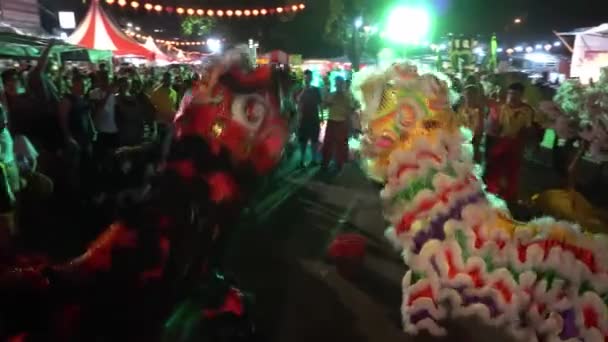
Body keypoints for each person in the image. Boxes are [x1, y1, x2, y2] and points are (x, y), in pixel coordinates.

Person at [485, 82, 535, 203]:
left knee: (512, 172)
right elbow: (495, 128)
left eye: (515, 94)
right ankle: (493, 192)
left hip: (516, 145)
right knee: (495, 170)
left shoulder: (527, 110)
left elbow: (528, 129)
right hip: (500, 143)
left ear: (521, 95)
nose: (512, 97)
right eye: (510, 93)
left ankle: (509, 196)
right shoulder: (501, 108)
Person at [322, 76, 355, 171]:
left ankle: (338, 163)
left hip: (341, 122)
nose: (338, 85)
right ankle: (327, 162)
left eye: (340, 83)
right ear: (336, 84)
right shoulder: (332, 95)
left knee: (340, 144)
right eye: (337, 83)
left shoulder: (348, 96)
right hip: (332, 121)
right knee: (329, 143)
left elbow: (351, 110)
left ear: (342, 84)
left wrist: (350, 124)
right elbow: (324, 106)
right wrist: (327, 101)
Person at [296, 70, 323, 168]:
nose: (308, 78)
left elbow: (320, 104)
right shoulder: (299, 89)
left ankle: (314, 159)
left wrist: (322, 117)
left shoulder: (316, 90)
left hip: (314, 118)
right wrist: (304, 89)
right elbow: (298, 101)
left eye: (310, 77)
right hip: (303, 118)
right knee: (303, 140)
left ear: (311, 78)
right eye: (306, 77)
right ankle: (302, 160)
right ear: (304, 78)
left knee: (314, 140)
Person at [89, 71, 119, 155]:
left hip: (113, 130)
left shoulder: (114, 95)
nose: (105, 81)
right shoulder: (94, 93)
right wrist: (108, 94)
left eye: (106, 79)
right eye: (102, 79)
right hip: (100, 131)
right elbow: (98, 108)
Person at [456, 84, 485, 163]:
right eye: (467, 94)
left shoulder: (479, 111)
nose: (469, 97)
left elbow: (479, 130)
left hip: (472, 143)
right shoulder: (460, 109)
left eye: (471, 95)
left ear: (476, 96)